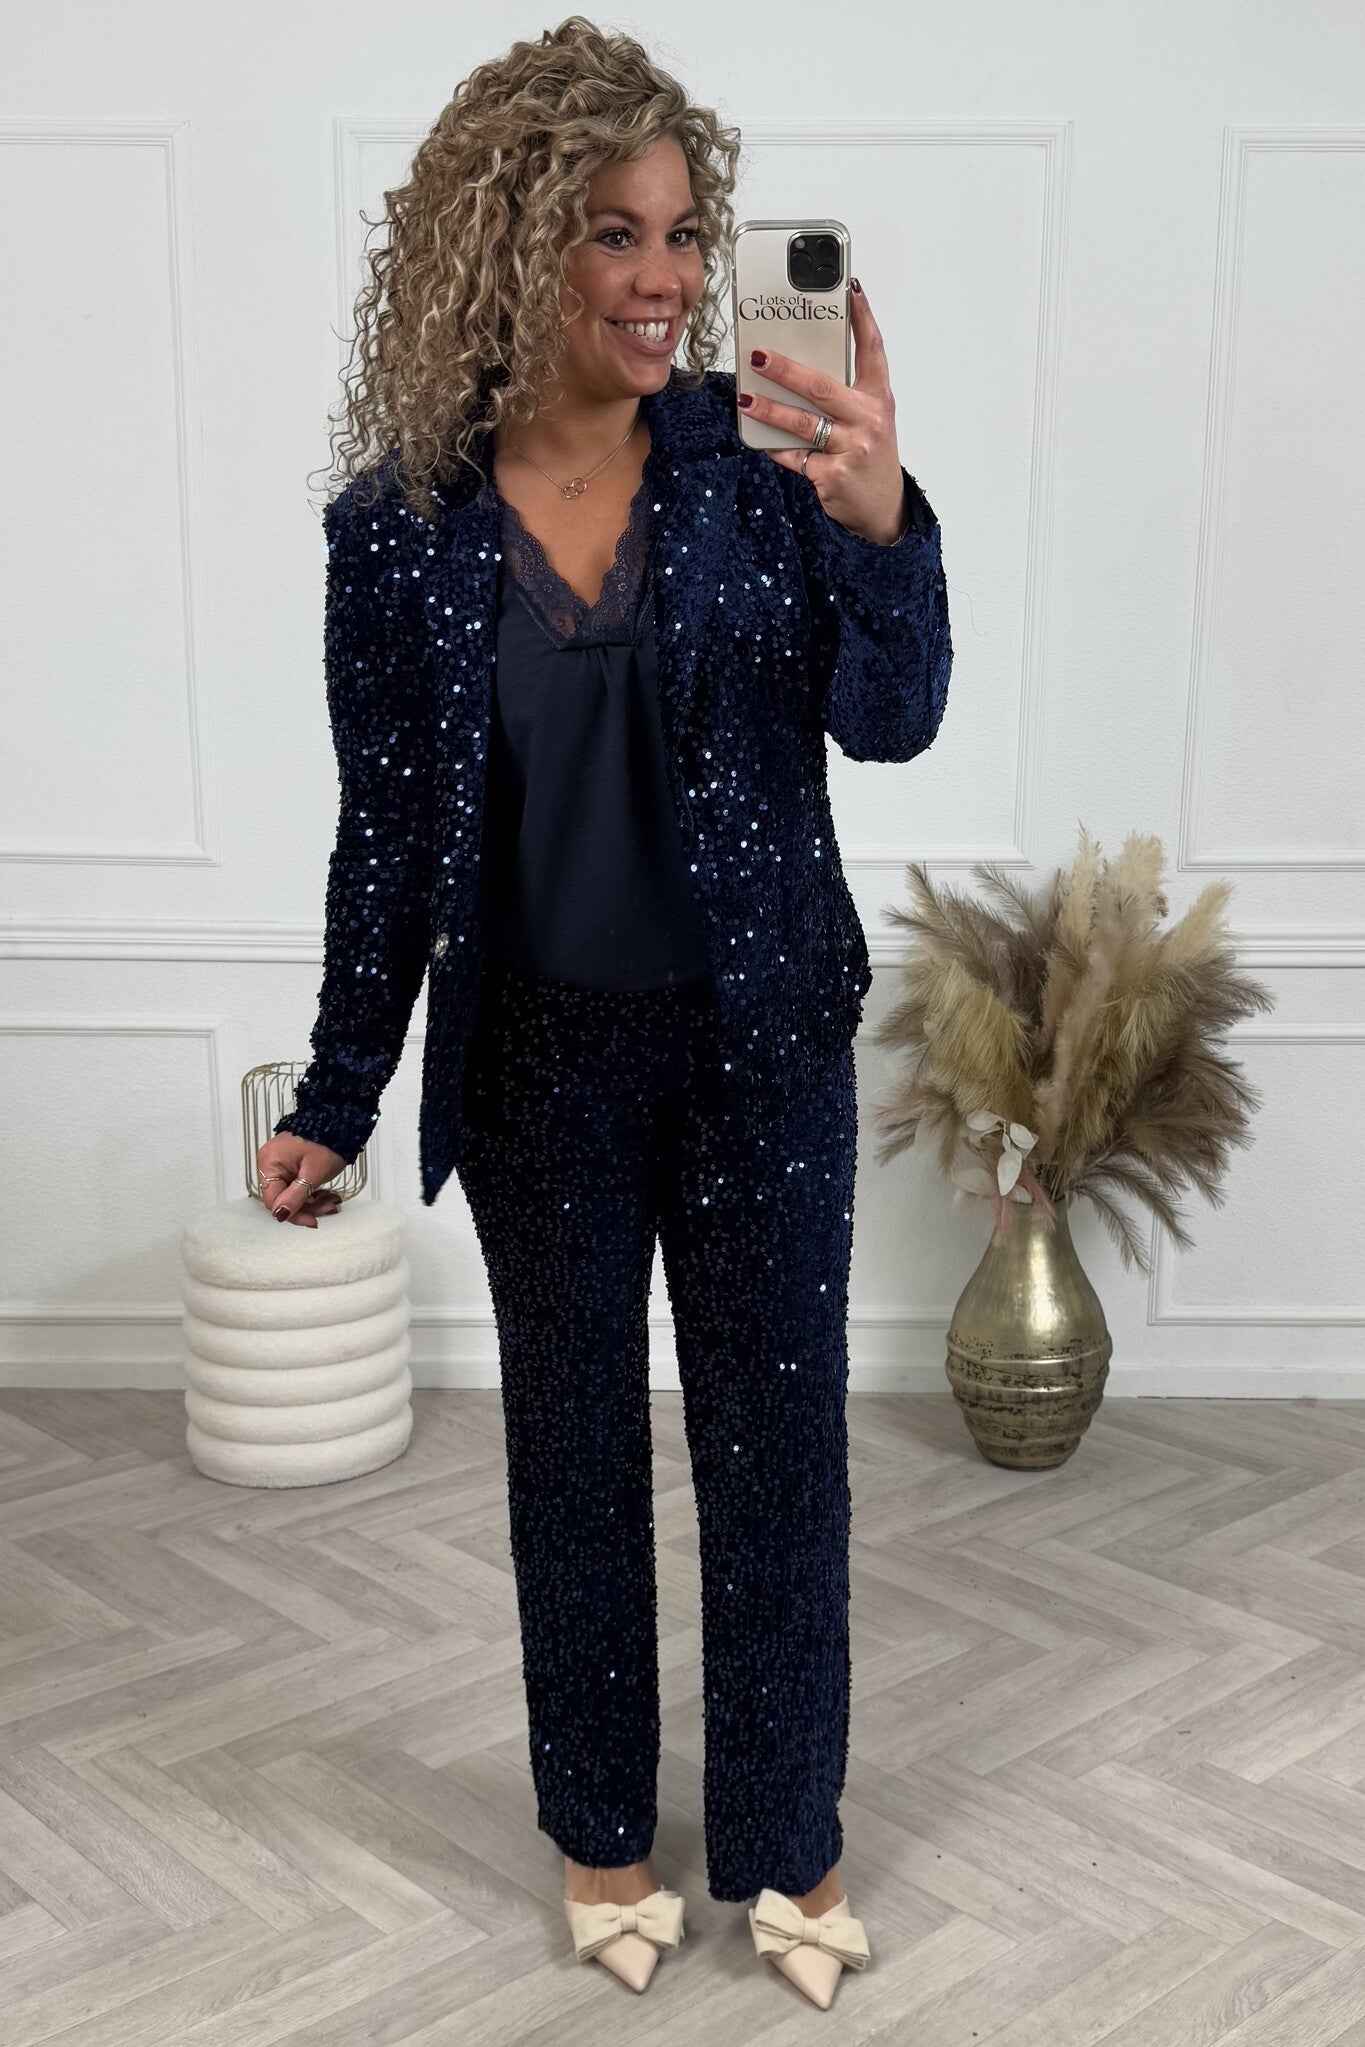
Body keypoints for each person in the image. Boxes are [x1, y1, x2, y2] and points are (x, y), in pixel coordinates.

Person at [257, 15, 951, 2007]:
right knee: (569, 1465)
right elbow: (389, 843)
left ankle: (792, 1851)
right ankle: (600, 1838)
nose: (663, 278)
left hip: (756, 1050)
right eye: (611, 233)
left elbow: (893, 722)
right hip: (538, 1067)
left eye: (681, 233)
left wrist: (882, 526)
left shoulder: (765, 465)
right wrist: (336, 1090)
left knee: (776, 1455)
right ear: (505, 246)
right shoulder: (395, 530)